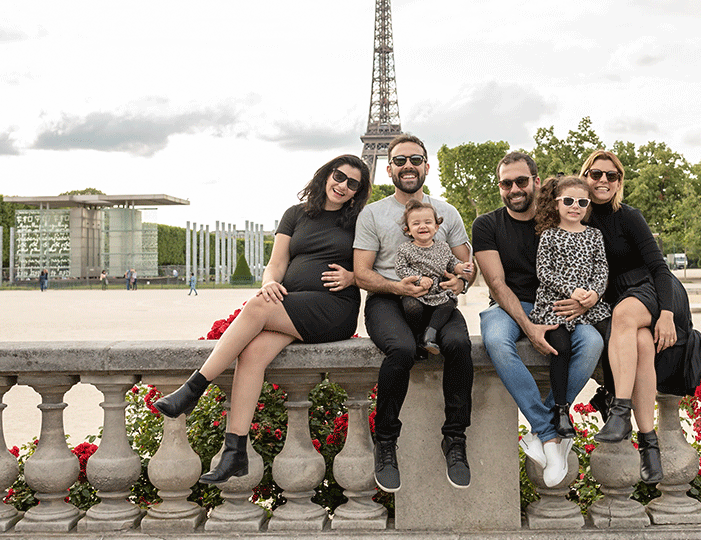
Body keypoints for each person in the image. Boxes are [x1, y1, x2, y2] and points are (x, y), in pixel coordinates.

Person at [154, 155, 371, 484]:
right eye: (338, 176)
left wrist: (353, 277)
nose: (342, 185)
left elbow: (376, 268)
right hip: (292, 305)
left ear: (357, 192)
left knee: (256, 307)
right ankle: (235, 452)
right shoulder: (295, 214)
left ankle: (193, 389)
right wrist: (269, 282)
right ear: (326, 176)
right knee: (253, 353)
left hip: (334, 308)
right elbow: (276, 263)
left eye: (351, 183)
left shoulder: (359, 222)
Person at [473, 151, 604, 487]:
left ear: (535, 181)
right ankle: (551, 433)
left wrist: (588, 300)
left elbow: (590, 267)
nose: (513, 188)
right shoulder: (486, 225)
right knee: (497, 342)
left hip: (559, 305)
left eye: (520, 181)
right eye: (506, 183)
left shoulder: (560, 218)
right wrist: (529, 327)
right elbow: (497, 285)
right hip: (508, 307)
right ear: (499, 186)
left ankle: (543, 428)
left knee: (591, 342)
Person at [353, 134, 476, 492]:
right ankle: (386, 441)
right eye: (401, 160)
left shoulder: (447, 212)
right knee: (403, 350)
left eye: (416, 159)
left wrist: (461, 281)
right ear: (388, 167)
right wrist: (397, 286)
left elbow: (466, 266)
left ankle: (454, 438)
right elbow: (362, 273)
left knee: (459, 345)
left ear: (426, 165)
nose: (408, 165)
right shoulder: (372, 213)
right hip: (389, 299)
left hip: (437, 298)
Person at [580, 149, 699, 484]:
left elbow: (660, 268)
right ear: (585, 177)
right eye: (596, 173)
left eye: (611, 175)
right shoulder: (579, 217)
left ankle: (619, 410)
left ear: (619, 182)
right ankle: (649, 444)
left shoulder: (629, 216)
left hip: (653, 289)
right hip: (621, 298)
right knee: (642, 344)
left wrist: (666, 315)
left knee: (625, 317)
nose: (603, 180)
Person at [529, 176, 612, 441]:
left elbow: (602, 269)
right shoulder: (550, 235)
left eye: (582, 202)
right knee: (561, 347)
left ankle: (609, 395)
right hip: (555, 305)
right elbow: (544, 272)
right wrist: (572, 291)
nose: (575, 206)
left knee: (611, 336)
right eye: (568, 201)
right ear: (556, 204)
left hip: (589, 305)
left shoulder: (594, 235)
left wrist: (595, 295)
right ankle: (561, 409)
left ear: (588, 205)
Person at [394, 199, 469, 357]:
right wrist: (419, 279)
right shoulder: (406, 249)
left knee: (449, 303)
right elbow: (401, 268)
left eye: (428, 222)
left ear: (436, 227)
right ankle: (418, 336)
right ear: (408, 230)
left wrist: (460, 268)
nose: (422, 226)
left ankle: (430, 334)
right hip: (418, 292)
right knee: (411, 307)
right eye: (416, 224)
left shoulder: (443, 247)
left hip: (438, 291)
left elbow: (451, 263)